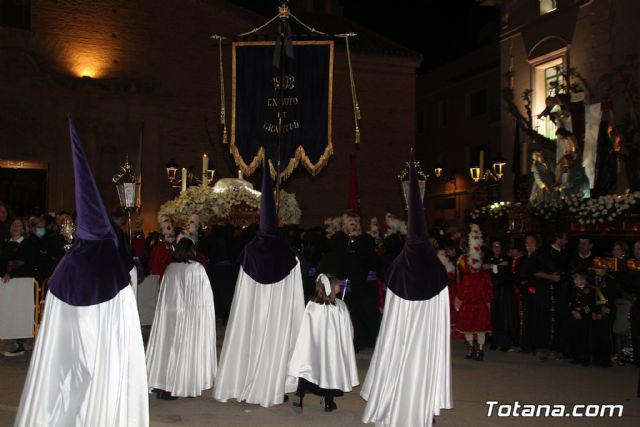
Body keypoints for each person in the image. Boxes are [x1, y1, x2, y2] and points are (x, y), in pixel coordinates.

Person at [13, 115, 148, 426]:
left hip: (66, 368)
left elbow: (51, 338)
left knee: (67, 383)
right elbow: (123, 339)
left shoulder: (65, 268)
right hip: (101, 368)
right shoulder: (114, 271)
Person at [361, 154, 452, 427]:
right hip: (425, 335)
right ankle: (423, 405)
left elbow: (389, 312)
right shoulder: (436, 269)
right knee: (422, 362)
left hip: (404, 332)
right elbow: (442, 311)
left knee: (398, 356)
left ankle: (393, 399)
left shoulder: (398, 267)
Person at [214, 157, 305, 407]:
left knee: (250, 340)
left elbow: (242, 291)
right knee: (273, 342)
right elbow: (295, 294)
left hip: (254, 311)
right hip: (277, 314)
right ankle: (272, 383)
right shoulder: (287, 253)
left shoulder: (250, 251)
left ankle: (244, 379)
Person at [146, 237, 217, 399]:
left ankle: (165, 386)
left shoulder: (171, 268)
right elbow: (205, 296)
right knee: (186, 349)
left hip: (170, 316)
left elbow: (164, 294)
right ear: (191, 251)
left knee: (168, 349)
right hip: (189, 317)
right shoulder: (196, 268)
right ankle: (185, 383)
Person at [288, 274, 359, 413]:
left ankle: (300, 394)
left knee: (309, 371)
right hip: (333, 351)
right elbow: (347, 329)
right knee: (330, 372)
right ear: (331, 288)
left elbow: (306, 327)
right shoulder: (340, 307)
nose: (340, 286)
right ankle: (328, 403)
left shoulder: (312, 305)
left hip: (314, 349)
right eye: (337, 284)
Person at [455, 225, 493, 361]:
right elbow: (462, 290)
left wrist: (488, 303)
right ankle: (472, 349)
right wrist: (458, 301)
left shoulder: (484, 276)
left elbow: (488, 290)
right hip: (469, 305)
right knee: (468, 329)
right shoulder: (468, 276)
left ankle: (480, 351)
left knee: (480, 329)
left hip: (479, 305)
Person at [484, 239, 517, 351]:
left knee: (505, 317)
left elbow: (504, 271)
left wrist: (492, 266)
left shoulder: (507, 258)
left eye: (498, 246)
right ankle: (495, 341)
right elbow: (485, 269)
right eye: (494, 246)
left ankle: (505, 342)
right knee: (494, 316)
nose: (496, 248)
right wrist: (496, 266)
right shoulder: (488, 258)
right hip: (493, 292)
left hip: (505, 292)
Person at [568, 270, 594, 366]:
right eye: (576, 280)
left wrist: (581, 313)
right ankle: (576, 356)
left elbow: (589, 305)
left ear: (584, 280)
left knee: (584, 337)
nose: (577, 282)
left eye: (579, 280)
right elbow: (570, 302)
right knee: (576, 336)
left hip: (584, 316)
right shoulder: (574, 289)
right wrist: (573, 311)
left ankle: (585, 358)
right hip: (574, 315)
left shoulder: (589, 290)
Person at [591, 264, 616, 368]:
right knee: (595, 335)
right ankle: (596, 358)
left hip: (606, 311)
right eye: (595, 268)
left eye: (599, 268)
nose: (596, 270)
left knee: (605, 336)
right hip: (595, 311)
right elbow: (592, 297)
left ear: (605, 268)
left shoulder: (611, 280)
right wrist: (593, 311)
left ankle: (605, 360)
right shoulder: (594, 280)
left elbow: (611, 299)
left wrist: (602, 313)